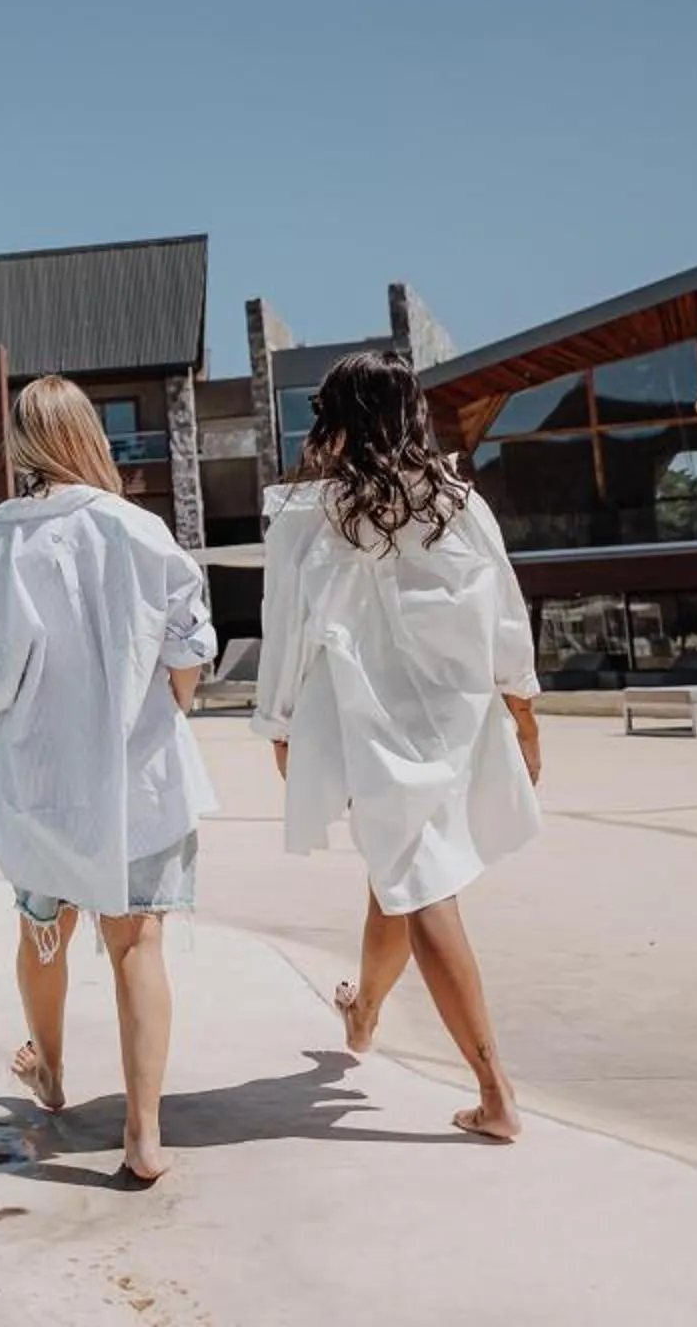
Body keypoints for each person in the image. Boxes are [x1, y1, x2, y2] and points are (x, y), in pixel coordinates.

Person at [253, 349, 543, 1142]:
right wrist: (523, 712)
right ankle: (366, 1010)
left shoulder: (308, 515)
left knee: (417, 880)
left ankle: (495, 1092)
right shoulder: (458, 502)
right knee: (401, 868)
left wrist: (278, 726)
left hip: (367, 717)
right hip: (454, 714)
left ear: (336, 419)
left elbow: (286, 632)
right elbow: (508, 615)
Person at [0, 374, 217, 1185]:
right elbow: (190, 642)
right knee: (138, 943)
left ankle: (54, 1077)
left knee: (42, 930)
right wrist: (167, 707)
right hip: (139, 777)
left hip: (39, 780)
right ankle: (142, 1136)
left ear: (22, 442)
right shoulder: (139, 529)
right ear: (89, 435)